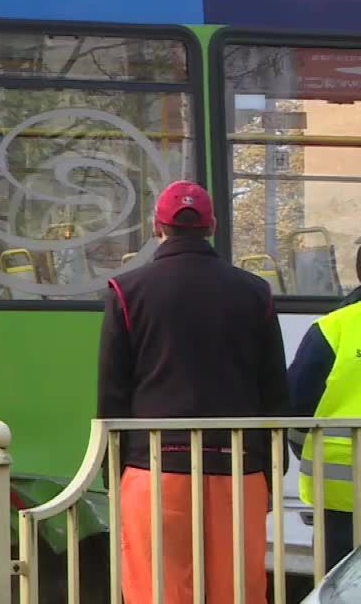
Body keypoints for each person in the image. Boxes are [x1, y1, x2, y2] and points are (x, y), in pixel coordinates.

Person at [97, 180, 290, 604]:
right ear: (212, 226)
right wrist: (271, 474)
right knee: (236, 591)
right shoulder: (256, 292)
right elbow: (274, 388)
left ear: (156, 226)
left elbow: (113, 393)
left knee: (158, 590)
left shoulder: (126, 292)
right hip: (238, 468)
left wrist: (114, 474)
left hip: (153, 466)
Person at [288, 242, 361, 572]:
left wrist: (306, 449)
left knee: (338, 584)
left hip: (340, 496)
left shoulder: (333, 328)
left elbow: (293, 411)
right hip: (339, 496)